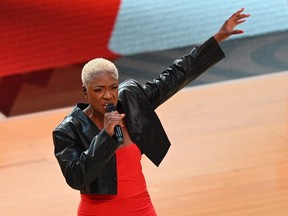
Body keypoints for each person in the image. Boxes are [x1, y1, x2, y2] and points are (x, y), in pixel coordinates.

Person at [52, 8, 250, 216]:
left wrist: (217, 38)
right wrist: (106, 136)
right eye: (99, 90)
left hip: (140, 209)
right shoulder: (68, 130)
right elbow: (77, 178)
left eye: (113, 87)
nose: (108, 95)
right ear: (85, 92)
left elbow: (175, 76)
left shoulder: (131, 101)